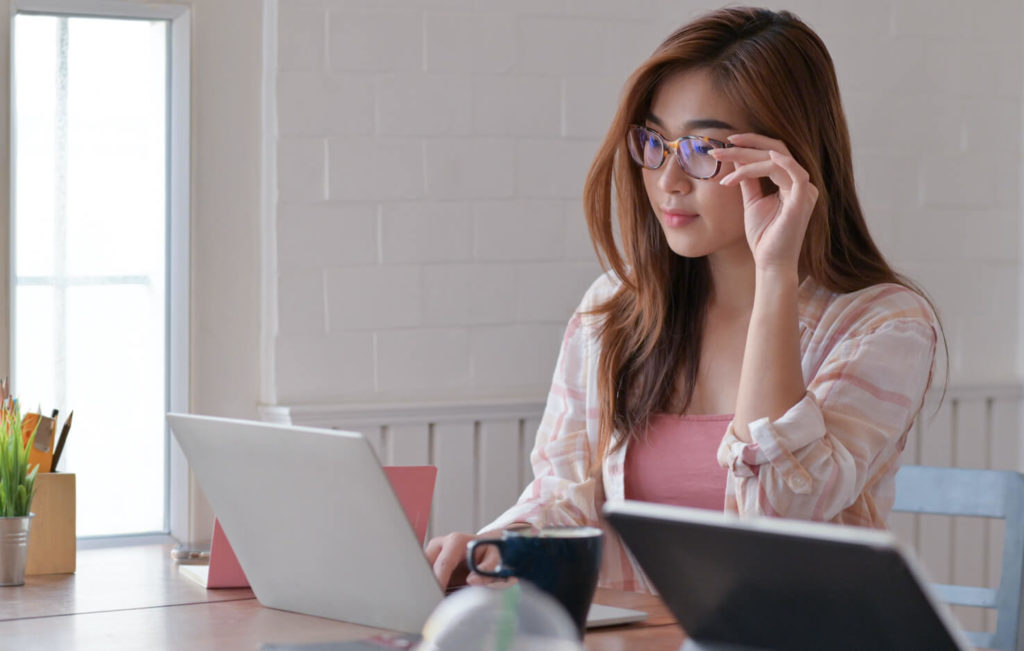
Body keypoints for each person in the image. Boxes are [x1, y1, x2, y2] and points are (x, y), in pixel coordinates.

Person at [426, 6, 941, 594]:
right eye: (654, 141)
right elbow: (561, 501)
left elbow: (778, 519)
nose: (668, 179)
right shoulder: (614, 310)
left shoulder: (881, 326)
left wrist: (775, 273)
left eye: (702, 149)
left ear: (785, 162)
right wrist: (492, 550)